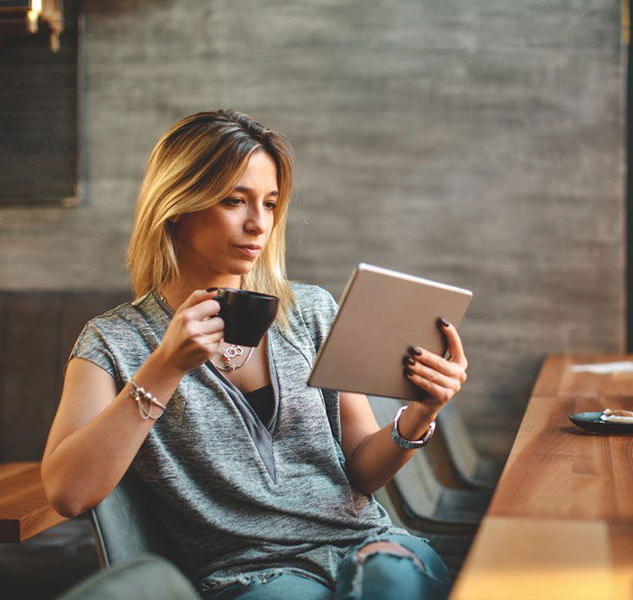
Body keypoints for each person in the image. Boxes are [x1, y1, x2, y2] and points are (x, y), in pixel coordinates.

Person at [41, 109, 469, 600]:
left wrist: (420, 414)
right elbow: (68, 493)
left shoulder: (309, 312)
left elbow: (361, 469)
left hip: (365, 543)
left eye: (269, 204)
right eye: (233, 201)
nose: (257, 224)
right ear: (177, 204)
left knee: (391, 579)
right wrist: (165, 368)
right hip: (250, 574)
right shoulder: (114, 342)